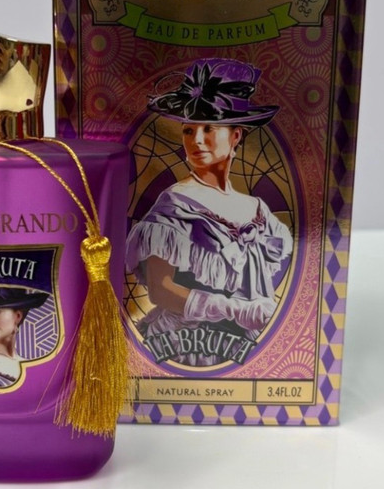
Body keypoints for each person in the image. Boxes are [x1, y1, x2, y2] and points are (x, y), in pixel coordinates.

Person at [125, 58, 293, 367]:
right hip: (184, 344)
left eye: (208, 129)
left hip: (238, 347)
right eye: (189, 131)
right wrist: (233, 309)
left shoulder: (256, 210)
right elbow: (160, 290)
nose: (197, 141)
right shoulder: (174, 204)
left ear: (236, 136)